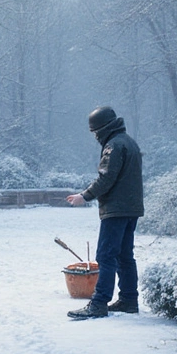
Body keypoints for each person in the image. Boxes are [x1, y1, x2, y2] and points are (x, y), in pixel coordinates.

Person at [66, 106, 143, 319]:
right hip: (131, 208)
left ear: (102, 128)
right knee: (124, 255)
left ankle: (99, 303)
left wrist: (85, 196)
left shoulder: (113, 145)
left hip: (116, 209)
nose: (94, 136)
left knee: (106, 255)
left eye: (94, 131)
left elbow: (106, 177)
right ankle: (129, 300)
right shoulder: (128, 142)